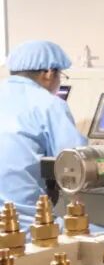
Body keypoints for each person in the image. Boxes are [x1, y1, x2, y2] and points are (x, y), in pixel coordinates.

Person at [0, 41, 86, 228]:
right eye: (60, 75)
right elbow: (74, 160)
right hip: (23, 223)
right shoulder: (49, 104)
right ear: (48, 72)